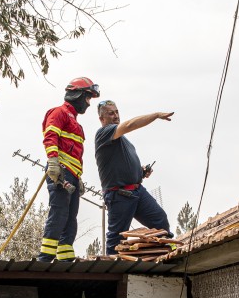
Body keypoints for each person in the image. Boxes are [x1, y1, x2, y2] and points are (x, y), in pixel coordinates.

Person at [94, 100, 174, 255]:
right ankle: (110, 274)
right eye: (111, 113)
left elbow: (123, 165)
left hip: (137, 191)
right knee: (117, 238)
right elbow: (129, 125)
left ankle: (160, 256)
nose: (116, 115)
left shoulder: (124, 142)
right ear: (102, 119)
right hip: (120, 195)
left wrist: (141, 171)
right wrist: (156, 115)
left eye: (117, 112)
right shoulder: (103, 134)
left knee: (160, 221)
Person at [37, 77, 100, 261]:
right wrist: (54, 163)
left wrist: (78, 177)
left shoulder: (76, 123)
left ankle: (65, 257)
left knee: (70, 217)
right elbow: (50, 137)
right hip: (60, 172)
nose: (88, 103)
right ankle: (45, 258)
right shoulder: (59, 113)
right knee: (59, 212)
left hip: (72, 174)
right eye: (88, 98)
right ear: (78, 94)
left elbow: (75, 155)